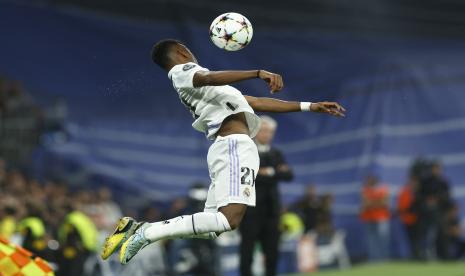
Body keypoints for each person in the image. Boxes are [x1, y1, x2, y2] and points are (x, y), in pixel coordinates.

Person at [101, 39, 346, 264]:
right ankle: (145, 232)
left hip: (229, 146)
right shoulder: (183, 72)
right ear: (180, 51)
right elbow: (208, 77)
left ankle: (137, 230)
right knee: (228, 219)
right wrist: (258, 72)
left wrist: (310, 106)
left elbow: (257, 102)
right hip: (233, 146)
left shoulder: (212, 89)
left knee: (214, 227)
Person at [239, 115, 293, 276]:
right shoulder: (246, 151)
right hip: (250, 211)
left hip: (272, 211)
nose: (266, 134)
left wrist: (267, 172)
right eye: (262, 130)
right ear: (255, 132)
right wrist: (276, 172)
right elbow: (246, 176)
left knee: (272, 252)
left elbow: (289, 175)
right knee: (247, 251)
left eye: (269, 131)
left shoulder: (277, 153)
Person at [360, 175, 390, 261]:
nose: (368, 181)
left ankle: (384, 259)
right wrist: (377, 202)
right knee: (371, 241)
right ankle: (374, 259)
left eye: (370, 179)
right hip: (369, 218)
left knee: (383, 240)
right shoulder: (365, 190)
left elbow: (385, 203)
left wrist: (371, 203)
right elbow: (365, 204)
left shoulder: (383, 188)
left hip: (382, 218)